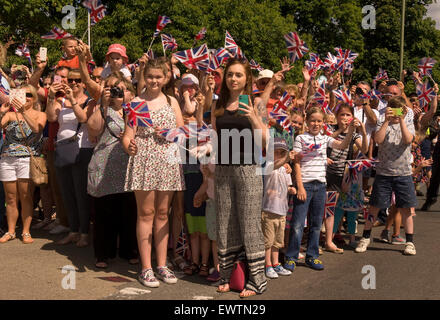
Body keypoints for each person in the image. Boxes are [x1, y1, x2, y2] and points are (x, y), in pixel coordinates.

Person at [122, 58, 185, 288]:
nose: (154, 80)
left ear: (166, 77)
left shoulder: (171, 101)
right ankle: (146, 268)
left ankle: (162, 264)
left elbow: (182, 132)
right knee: (146, 213)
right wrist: (128, 145)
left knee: (162, 213)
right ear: (143, 77)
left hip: (167, 160)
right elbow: (128, 134)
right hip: (144, 159)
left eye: (158, 77)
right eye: (150, 76)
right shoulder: (136, 103)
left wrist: (169, 132)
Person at [209, 58, 269, 298]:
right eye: (230, 74)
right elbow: (215, 137)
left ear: (247, 79)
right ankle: (227, 275)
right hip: (224, 168)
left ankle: (257, 281)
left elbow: (265, 141)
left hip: (249, 167)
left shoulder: (256, 103)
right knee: (224, 222)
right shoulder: (219, 104)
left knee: (249, 223)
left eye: (238, 75)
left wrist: (253, 117)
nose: (233, 79)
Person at [283, 107, 357, 272]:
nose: (316, 124)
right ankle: (291, 256)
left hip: (321, 185)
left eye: (319, 121)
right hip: (306, 185)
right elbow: (296, 163)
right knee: (297, 223)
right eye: (313, 121)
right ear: (307, 122)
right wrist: (300, 186)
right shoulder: (301, 138)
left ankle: (312, 255)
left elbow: (342, 144)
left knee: (316, 223)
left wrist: (351, 129)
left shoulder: (326, 139)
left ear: (323, 123)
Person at [87, 72, 138, 268]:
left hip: (128, 168)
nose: (118, 93)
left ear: (131, 94)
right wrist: (103, 104)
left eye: (122, 90)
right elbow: (93, 129)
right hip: (104, 168)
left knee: (129, 212)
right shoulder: (103, 109)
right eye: (114, 89)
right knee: (104, 213)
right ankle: (103, 253)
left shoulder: (135, 110)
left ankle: (129, 250)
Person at [355, 96, 418, 255]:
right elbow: (378, 139)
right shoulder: (383, 121)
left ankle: (410, 242)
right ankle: (365, 237)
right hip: (383, 173)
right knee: (375, 207)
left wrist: (402, 120)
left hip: (403, 173)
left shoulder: (408, 122)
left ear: (404, 110)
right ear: (388, 109)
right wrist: (386, 121)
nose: (396, 113)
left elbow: (408, 139)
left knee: (406, 209)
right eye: (393, 110)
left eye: (399, 110)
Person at [46, 69, 95, 247]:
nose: (74, 83)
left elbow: (83, 118)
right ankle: (73, 231)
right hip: (63, 149)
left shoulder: (89, 101)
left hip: (82, 149)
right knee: (67, 193)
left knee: (80, 194)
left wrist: (73, 101)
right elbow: (51, 117)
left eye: (77, 80)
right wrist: (51, 97)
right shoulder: (61, 100)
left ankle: (84, 232)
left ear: (83, 83)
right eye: (71, 80)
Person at [0, 85, 47, 244]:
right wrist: (2, 112)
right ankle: (11, 231)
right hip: (8, 158)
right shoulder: (10, 115)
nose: (25, 98)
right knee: (11, 197)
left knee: (26, 196)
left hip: (28, 158)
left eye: (28, 95)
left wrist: (24, 112)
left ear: (34, 98)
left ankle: (26, 231)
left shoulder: (40, 114)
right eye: (21, 94)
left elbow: (36, 129)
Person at [326, 104, 367, 250]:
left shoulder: (354, 135)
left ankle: (329, 237)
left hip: (340, 176)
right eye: (342, 115)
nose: (344, 118)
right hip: (326, 172)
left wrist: (362, 131)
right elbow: (327, 140)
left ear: (352, 117)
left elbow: (365, 149)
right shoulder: (330, 129)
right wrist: (341, 130)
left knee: (333, 207)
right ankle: (323, 237)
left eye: (348, 115)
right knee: (323, 207)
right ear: (336, 117)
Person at [262, 137, 296, 279]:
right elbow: (273, 168)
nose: (280, 155)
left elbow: (287, 186)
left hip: (282, 210)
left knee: (277, 241)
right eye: (277, 152)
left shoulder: (285, 169)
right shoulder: (268, 165)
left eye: (282, 152)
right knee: (267, 242)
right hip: (269, 210)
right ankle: (268, 265)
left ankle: (276, 263)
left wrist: (291, 189)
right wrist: (287, 159)